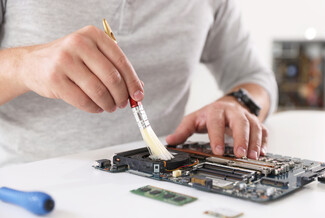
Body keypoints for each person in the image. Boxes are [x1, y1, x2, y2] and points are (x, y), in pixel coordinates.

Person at [0, 0, 277, 167]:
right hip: (30, 194)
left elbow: (255, 77)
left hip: (165, 190)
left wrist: (238, 103)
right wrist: (22, 66)